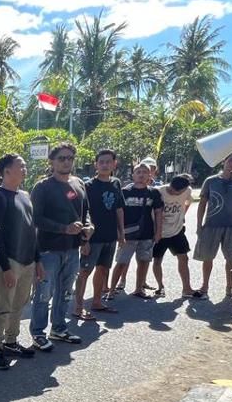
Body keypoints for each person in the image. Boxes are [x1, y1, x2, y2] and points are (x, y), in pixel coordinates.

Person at [30, 142, 89, 349]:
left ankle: (59, 328)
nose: (66, 162)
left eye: (70, 158)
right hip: (48, 250)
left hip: (72, 249)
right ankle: (38, 333)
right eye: (61, 158)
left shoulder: (79, 184)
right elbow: (36, 219)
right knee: (44, 294)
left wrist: (88, 227)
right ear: (52, 162)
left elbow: (85, 213)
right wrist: (64, 228)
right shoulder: (42, 187)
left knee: (66, 292)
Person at [0, 153, 39, 370]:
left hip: (27, 261)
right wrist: (5, 267)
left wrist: (38, 260)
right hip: (9, 262)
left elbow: (31, 230)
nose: (25, 169)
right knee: (3, 306)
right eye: (21, 166)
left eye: (25, 166)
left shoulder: (24, 195)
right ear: (6, 171)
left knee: (19, 304)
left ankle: (11, 341)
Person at [73, 149, 125, 320]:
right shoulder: (87, 186)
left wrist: (121, 233)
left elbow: (119, 209)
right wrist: (83, 240)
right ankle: (78, 307)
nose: (104, 165)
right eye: (101, 162)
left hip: (110, 236)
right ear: (96, 164)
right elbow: (81, 213)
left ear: (114, 164)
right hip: (92, 238)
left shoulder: (116, 183)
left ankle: (96, 302)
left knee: (103, 270)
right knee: (84, 271)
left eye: (108, 162)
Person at [195, 150, 232, 299]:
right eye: (230, 160)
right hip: (211, 225)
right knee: (207, 258)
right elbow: (202, 204)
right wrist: (199, 225)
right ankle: (204, 287)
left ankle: (229, 289)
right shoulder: (211, 180)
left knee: (231, 259)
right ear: (224, 161)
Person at [110, 162, 163, 299]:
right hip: (128, 235)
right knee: (121, 262)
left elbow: (158, 213)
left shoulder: (154, 192)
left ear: (149, 175)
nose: (141, 174)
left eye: (144, 172)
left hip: (147, 234)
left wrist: (158, 232)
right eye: (138, 172)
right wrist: (119, 232)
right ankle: (111, 290)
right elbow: (118, 213)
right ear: (133, 175)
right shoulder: (125, 192)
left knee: (144, 262)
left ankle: (139, 289)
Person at [152, 174, 197, 298]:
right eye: (172, 191)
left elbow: (188, 202)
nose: (174, 194)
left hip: (177, 231)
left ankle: (187, 289)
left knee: (184, 258)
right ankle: (160, 287)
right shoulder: (158, 192)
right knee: (157, 260)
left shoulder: (187, 190)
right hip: (159, 233)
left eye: (178, 192)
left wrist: (182, 215)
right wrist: (156, 232)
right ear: (170, 185)